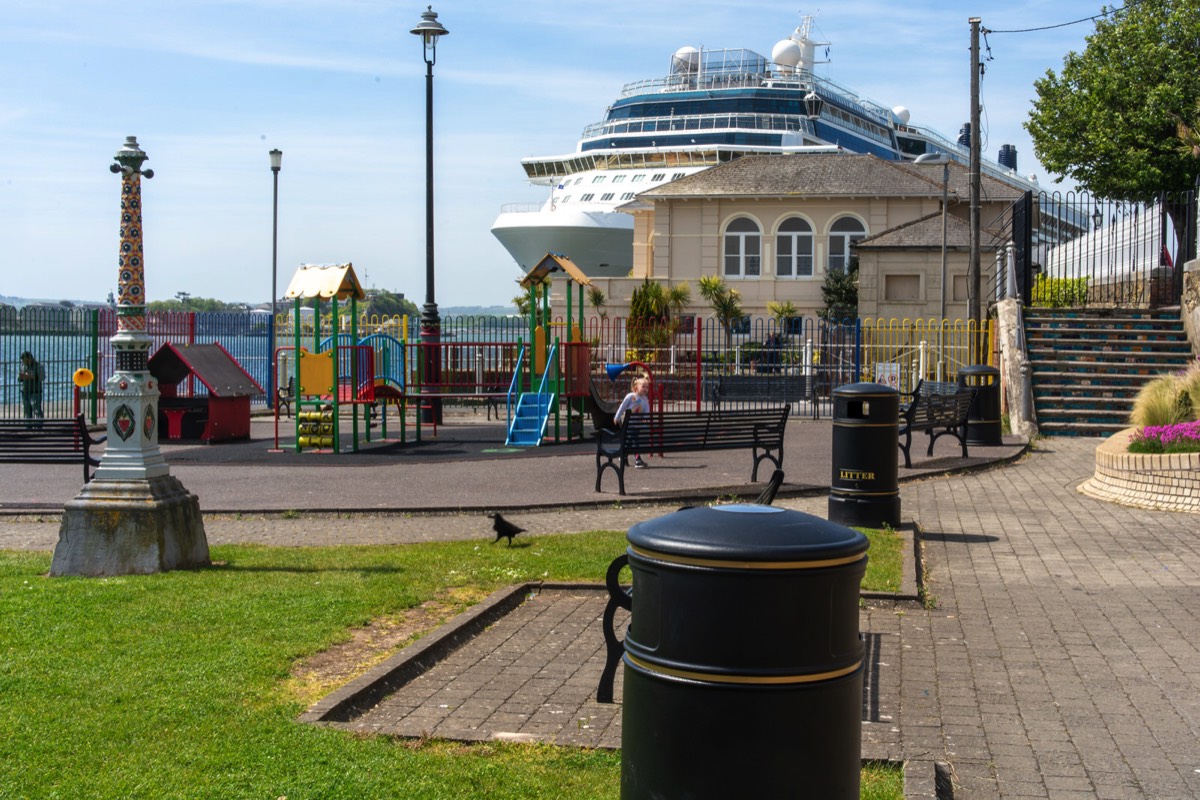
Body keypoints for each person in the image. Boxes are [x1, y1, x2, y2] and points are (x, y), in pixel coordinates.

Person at [613, 375, 651, 468]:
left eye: (647, 387)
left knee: (630, 440)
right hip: (629, 424)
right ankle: (637, 459)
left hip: (637, 424)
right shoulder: (631, 396)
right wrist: (617, 417)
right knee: (635, 440)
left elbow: (647, 410)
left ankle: (623, 455)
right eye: (643, 387)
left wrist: (646, 418)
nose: (645, 389)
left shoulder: (645, 400)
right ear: (636, 387)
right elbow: (622, 407)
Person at [18, 351, 45, 427]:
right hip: (25, 391)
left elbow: (42, 377)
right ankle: (28, 427)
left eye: (26, 360)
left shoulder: (38, 366)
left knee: (36, 410)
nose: (25, 362)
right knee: (27, 411)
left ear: (30, 358)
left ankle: (39, 427)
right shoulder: (23, 366)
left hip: (35, 392)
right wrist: (21, 377)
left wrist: (31, 376)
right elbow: (19, 379)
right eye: (23, 361)